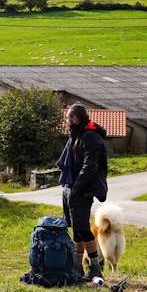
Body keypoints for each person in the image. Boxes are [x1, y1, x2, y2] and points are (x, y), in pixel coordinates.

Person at [56, 104, 108, 279]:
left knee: (83, 228)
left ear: (75, 119)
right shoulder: (76, 135)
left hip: (83, 189)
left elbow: (90, 167)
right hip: (71, 186)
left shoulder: (91, 137)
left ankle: (95, 268)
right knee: (76, 229)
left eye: (67, 118)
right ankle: (77, 267)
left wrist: (77, 188)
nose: (66, 122)